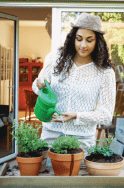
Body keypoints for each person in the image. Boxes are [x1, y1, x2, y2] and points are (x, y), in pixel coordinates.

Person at [32, 12, 116, 163]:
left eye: (89, 40)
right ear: (73, 39)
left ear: (98, 42)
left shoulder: (105, 72)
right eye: (79, 39)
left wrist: (76, 115)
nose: (83, 45)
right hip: (51, 134)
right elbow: (37, 88)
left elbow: (106, 114)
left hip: (82, 140)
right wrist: (40, 83)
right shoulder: (56, 57)